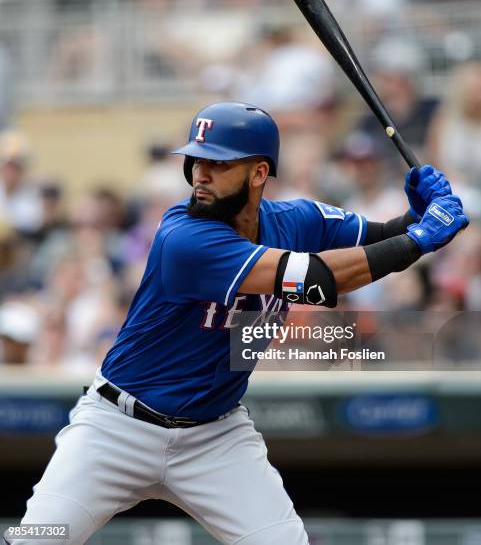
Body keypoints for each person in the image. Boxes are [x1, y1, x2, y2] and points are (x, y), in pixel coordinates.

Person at [9, 102, 468, 545]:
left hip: (215, 435)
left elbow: (380, 238)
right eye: (195, 160)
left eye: (219, 163)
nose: (200, 174)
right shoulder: (183, 237)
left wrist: (418, 215)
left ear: (259, 172)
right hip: (117, 428)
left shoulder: (298, 219)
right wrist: (420, 238)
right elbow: (317, 278)